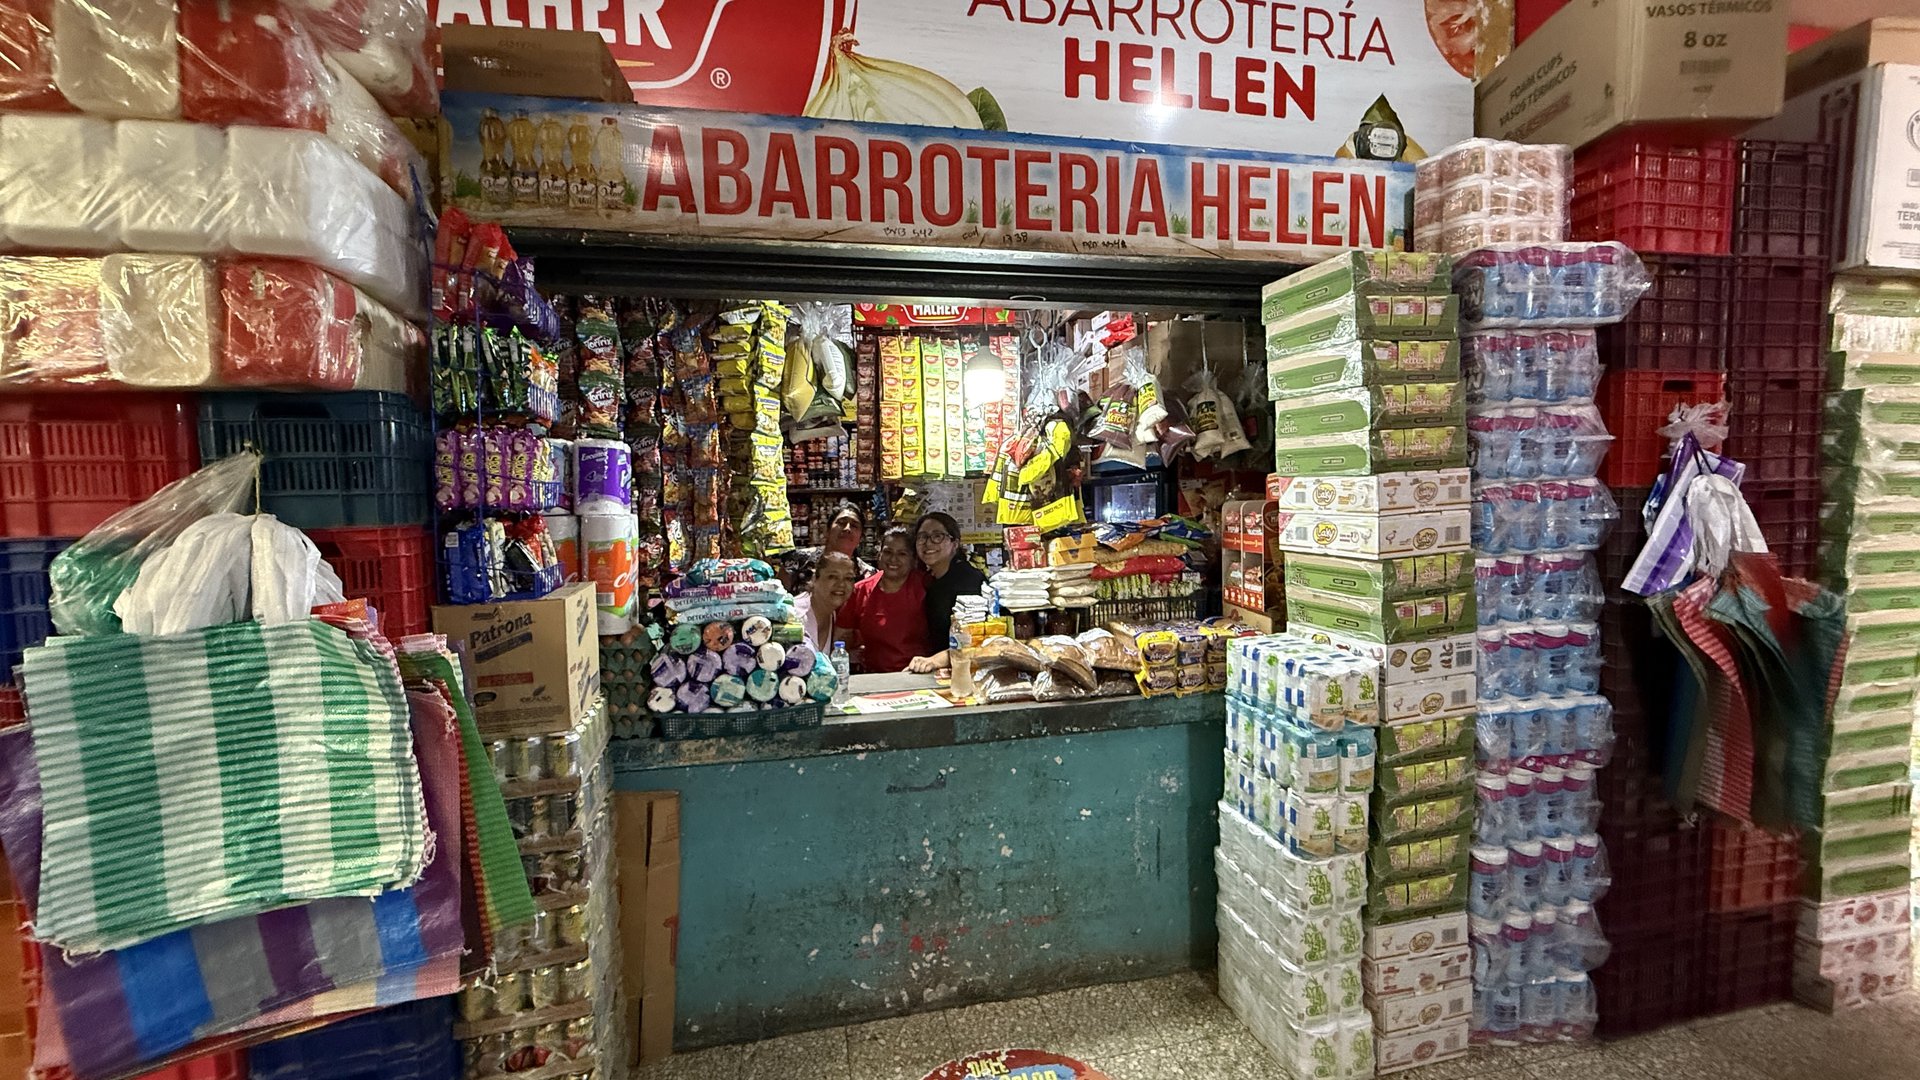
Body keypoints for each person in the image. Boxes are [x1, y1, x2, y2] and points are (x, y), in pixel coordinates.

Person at [906, 511, 988, 674]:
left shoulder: (967, 580)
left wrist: (934, 660)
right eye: (922, 537)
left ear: (955, 543)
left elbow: (974, 639)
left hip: (966, 671)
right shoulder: (930, 579)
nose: (928, 543)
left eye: (937, 536)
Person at [840, 526, 927, 673]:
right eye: (888, 552)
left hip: (919, 676)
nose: (893, 559)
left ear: (913, 559)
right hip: (874, 678)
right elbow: (841, 636)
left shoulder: (926, 586)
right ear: (879, 554)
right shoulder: (860, 590)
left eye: (902, 554)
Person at [778, 501, 873, 592]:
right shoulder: (797, 561)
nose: (847, 528)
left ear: (861, 538)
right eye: (841, 523)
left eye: (854, 526)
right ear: (827, 530)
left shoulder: (868, 575)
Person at [792, 550, 856, 655]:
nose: (841, 584)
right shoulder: (795, 614)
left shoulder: (833, 616)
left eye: (848, 578)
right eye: (832, 577)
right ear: (815, 579)